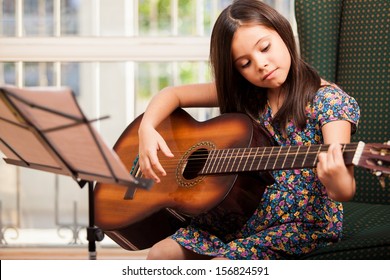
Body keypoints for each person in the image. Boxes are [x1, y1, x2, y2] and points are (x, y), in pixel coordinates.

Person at [137, 0, 360, 260]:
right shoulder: (248, 94)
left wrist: (337, 180)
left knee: (223, 265)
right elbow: (172, 94)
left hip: (300, 224)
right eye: (245, 63)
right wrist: (147, 128)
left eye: (265, 48)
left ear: (283, 32)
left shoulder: (329, 102)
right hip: (240, 213)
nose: (261, 64)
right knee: (160, 254)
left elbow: (344, 189)